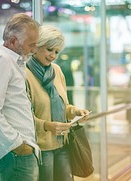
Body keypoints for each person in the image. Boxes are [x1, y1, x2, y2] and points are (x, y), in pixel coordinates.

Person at [0, 13, 40, 181]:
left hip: (19, 152)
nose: (34, 50)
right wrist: (17, 144)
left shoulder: (14, 62)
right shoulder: (1, 60)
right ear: (13, 41)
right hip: (14, 154)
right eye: (31, 45)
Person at [26, 25, 90, 181]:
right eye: (49, 50)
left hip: (63, 142)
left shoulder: (57, 71)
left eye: (56, 52)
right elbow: (23, 118)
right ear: (36, 46)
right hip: (42, 148)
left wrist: (75, 111)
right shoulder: (24, 74)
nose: (53, 55)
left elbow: (64, 106)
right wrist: (47, 125)